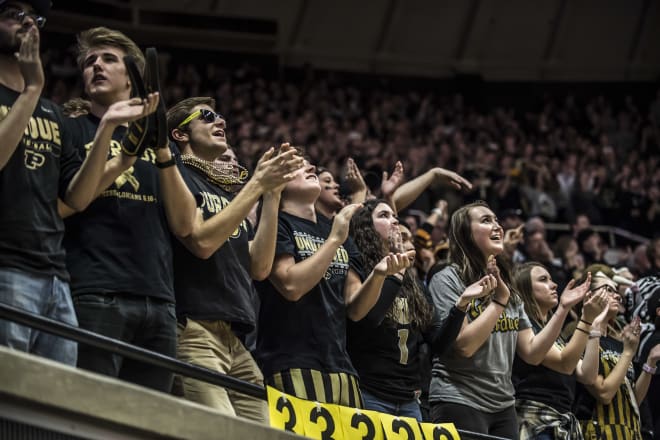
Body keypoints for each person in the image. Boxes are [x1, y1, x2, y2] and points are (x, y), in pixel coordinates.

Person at [0, 1, 155, 365]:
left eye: (33, 17)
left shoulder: (53, 113)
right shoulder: (33, 97)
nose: (26, 22)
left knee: (57, 409)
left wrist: (111, 134)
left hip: (55, 276)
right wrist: (32, 88)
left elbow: (78, 198)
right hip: (6, 267)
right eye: (12, 13)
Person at [63, 26, 196, 392]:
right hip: (96, 291)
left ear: (132, 75)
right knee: (90, 408)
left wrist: (164, 150)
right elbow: (69, 203)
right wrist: (112, 139)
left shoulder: (157, 143)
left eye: (108, 59)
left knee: (149, 419)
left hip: (159, 299)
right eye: (89, 61)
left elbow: (185, 224)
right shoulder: (70, 129)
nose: (96, 66)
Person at [166, 96, 302, 422]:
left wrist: (272, 196)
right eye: (208, 117)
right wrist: (255, 185)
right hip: (194, 328)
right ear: (180, 135)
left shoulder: (228, 194)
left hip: (235, 339)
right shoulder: (177, 175)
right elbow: (200, 242)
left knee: (262, 431)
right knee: (221, 431)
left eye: (222, 118)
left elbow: (259, 267)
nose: (221, 122)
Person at [256, 157, 412, 407]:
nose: (310, 168)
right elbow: (290, 286)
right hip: (291, 360)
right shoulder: (278, 224)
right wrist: (333, 241)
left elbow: (356, 308)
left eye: (310, 166)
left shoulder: (334, 228)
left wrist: (378, 275)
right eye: (299, 167)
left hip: (341, 366)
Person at [427, 201, 585, 438]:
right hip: (459, 398)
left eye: (496, 220)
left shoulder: (507, 285)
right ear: (465, 233)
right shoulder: (448, 279)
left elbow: (532, 352)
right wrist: (498, 302)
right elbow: (464, 346)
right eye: (485, 220)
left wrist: (562, 309)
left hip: (503, 406)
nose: (497, 227)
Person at [346, 200, 491, 421]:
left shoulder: (414, 285)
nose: (394, 220)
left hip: (408, 400)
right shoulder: (360, 269)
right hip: (369, 393)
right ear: (366, 227)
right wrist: (395, 273)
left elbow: (439, 344)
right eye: (384, 216)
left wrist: (461, 305)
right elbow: (367, 321)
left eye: (395, 216)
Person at [512, 262, 607, 439]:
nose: (554, 284)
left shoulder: (557, 335)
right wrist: (584, 319)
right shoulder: (525, 327)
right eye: (543, 279)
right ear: (525, 289)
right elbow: (565, 364)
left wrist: (594, 328)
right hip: (536, 422)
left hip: (561, 420)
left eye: (551, 279)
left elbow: (587, 375)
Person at [574, 273, 659, 439]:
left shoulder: (619, 344)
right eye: (608, 290)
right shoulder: (579, 340)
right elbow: (604, 394)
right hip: (598, 432)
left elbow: (633, 400)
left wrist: (651, 362)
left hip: (628, 432)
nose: (618, 296)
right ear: (588, 296)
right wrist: (628, 353)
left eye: (616, 291)